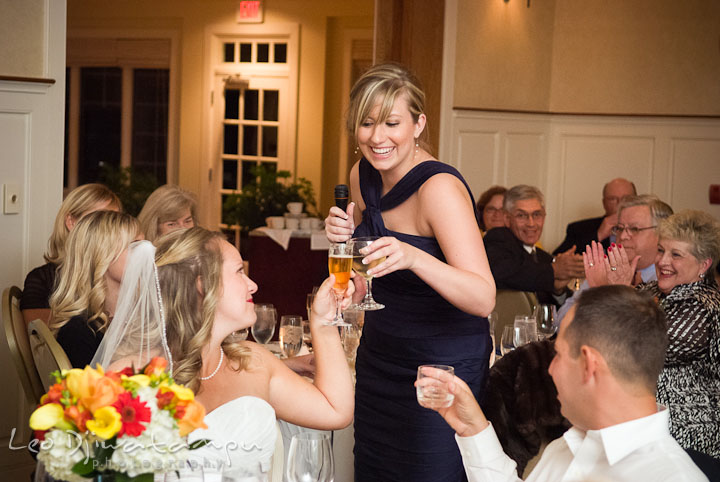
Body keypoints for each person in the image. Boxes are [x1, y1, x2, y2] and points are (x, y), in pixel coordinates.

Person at [324, 62, 495, 481]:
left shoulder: (439, 189)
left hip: (440, 368)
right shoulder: (361, 175)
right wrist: (345, 247)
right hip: (380, 358)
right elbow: (374, 268)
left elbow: (483, 297)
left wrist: (417, 258)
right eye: (366, 123)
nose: (377, 138)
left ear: (418, 124)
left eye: (391, 123)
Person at [92, 227, 355, 478]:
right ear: (203, 285)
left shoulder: (253, 362)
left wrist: (322, 321)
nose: (252, 285)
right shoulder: (130, 376)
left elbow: (336, 410)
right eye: (240, 271)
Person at [417, 285, 708, 481]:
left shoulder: (665, 476)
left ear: (588, 365)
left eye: (556, 354)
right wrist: (473, 429)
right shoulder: (568, 445)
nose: (550, 369)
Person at [587, 210, 720, 457]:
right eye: (661, 250)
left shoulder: (704, 306)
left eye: (676, 255)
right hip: (640, 430)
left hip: (685, 440)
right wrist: (609, 291)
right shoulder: (651, 292)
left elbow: (635, 351)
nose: (662, 261)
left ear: (704, 264)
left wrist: (612, 293)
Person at [558, 194, 674, 324]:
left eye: (634, 229)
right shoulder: (607, 269)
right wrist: (600, 291)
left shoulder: (668, 277)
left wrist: (610, 296)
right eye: (619, 228)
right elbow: (561, 319)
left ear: (662, 233)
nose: (623, 236)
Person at [48, 210, 141, 368]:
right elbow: (96, 390)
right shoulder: (78, 332)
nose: (145, 254)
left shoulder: (139, 314)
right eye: (133, 246)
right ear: (101, 255)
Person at [20, 183, 121, 324]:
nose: (108, 229)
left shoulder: (118, 273)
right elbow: (39, 336)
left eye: (114, 221)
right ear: (71, 222)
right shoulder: (43, 279)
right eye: (97, 219)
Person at [484, 185, 584, 306]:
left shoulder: (545, 259)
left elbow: (565, 311)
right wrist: (554, 270)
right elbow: (506, 272)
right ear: (507, 218)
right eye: (521, 215)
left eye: (537, 215)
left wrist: (558, 291)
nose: (531, 223)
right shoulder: (498, 238)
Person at [553, 177, 636, 255]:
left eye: (626, 198)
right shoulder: (578, 229)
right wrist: (598, 235)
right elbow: (556, 260)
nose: (620, 204)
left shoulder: (647, 227)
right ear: (604, 203)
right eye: (613, 199)